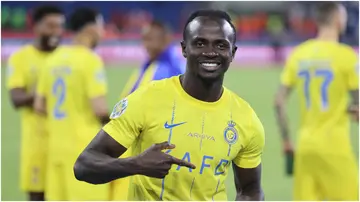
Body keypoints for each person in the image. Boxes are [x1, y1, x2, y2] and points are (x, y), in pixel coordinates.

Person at [74, 9, 265, 201]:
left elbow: (250, 190)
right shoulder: (147, 99)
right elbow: (84, 165)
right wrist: (136, 164)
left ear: (232, 52)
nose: (210, 52)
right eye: (200, 43)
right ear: (184, 48)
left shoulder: (246, 120)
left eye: (221, 45)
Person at [274, 2, 358, 201]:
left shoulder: (299, 54)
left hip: (305, 147)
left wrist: (286, 140)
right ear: (338, 20)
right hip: (335, 147)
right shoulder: (346, 56)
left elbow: (278, 102)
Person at [33, 7, 110, 200]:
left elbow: (39, 106)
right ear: (91, 28)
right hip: (85, 151)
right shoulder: (90, 60)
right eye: (101, 26)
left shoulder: (53, 59)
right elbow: (99, 109)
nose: (102, 32)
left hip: (56, 149)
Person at [110, 20, 185, 201]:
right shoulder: (151, 65)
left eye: (151, 39)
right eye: (144, 39)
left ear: (166, 39)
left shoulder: (166, 70)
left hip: (146, 150)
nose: (146, 45)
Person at [6, 5, 64, 201]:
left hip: (66, 143)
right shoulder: (20, 58)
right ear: (36, 26)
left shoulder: (66, 58)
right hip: (36, 144)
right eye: (50, 26)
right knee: (37, 196)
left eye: (59, 26)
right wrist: (43, 92)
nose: (56, 32)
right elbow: (16, 99)